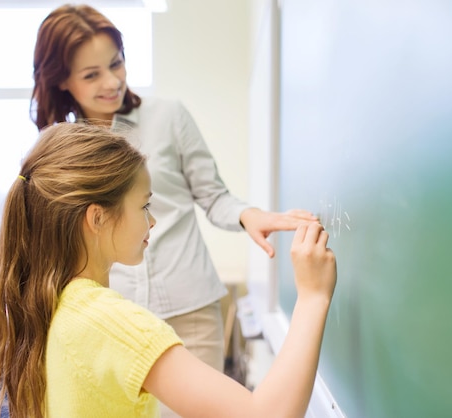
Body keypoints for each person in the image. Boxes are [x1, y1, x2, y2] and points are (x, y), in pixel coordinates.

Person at [30, 4, 319, 395]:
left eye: (117, 64)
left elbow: (214, 197)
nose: (112, 81)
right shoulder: (61, 149)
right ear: (62, 81)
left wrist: (249, 215)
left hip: (191, 313)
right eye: (92, 74)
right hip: (114, 320)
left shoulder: (168, 116)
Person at [0, 122, 336, 418]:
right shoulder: (111, 323)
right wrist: (313, 296)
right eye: (144, 205)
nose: (152, 220)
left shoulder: (54, 304)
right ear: (97, 217)